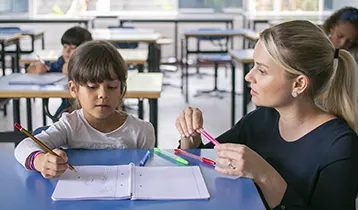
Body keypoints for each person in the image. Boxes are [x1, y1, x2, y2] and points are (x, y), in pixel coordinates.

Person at [176, 20, 358, 209]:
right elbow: (205, 163)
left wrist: (265, 176)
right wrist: (191, 137)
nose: (249, 76)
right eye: (254, 65)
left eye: (262, 70)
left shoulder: (340, 147)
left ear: (298, 84)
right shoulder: (260, 119)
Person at [15, 40, 155, 179]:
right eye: (92, 87)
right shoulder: (70, 125)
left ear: (121, 90)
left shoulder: (141, 131)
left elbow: (146, 175)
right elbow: (23, 147)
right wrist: (40, 161)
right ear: (74, 89)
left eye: (112, 87)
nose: (103, 95)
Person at [27, 26, 93, 119]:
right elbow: (34, 68)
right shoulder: (62, 61)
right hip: (67, 107)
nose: (67, 51)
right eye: (65, 46)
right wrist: (37, 67)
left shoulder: (92, 63)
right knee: (60, 118)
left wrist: (73, 70)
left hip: (91, 107)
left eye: (73, 47)